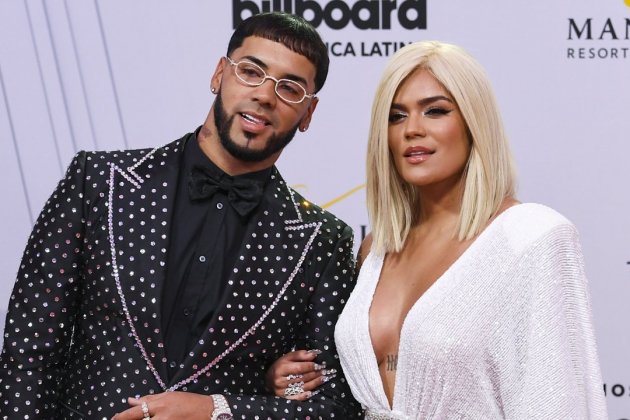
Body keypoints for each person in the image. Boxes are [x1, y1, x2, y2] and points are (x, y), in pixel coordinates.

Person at [0, 12, 364, 419]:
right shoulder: (98, 182)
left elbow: (332, 408)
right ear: (219, 74)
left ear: (308, 113)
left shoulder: (321, 242)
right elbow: (28, 352)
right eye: (251, 72)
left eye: (290, 88)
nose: (265, 95)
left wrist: (217, 409)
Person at [266, 41, 608, 419]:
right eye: (396, 116)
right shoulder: (376, 250)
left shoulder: (531, 238)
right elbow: (348, 389)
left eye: (435, 111)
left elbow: (558, 401)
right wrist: (291, 382)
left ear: (474, 121)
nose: (413, 129)